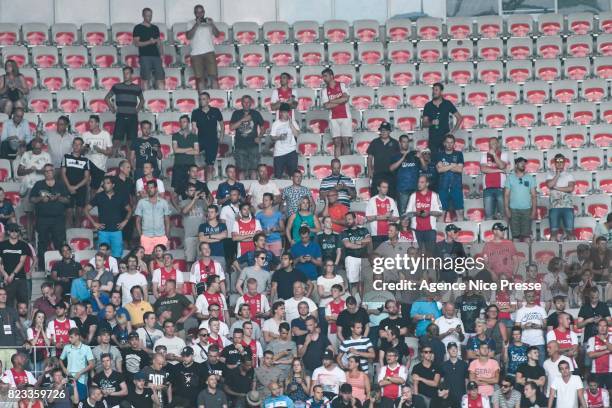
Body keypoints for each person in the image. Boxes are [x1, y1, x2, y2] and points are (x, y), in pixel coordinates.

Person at [30, 164, 70, 270]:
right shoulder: (38, 184)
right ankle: (42, 268)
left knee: (60, 243)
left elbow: (68, 200)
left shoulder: (61, 185)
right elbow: (32, 199)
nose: (48, 173)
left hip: (58, 219)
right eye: (46, 171)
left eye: (50, 171)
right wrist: (41, 199)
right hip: (43, 219)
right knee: (42, 244)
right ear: (44, 173)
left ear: (54, 172)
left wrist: (58, 197)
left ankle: (61, 268)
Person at [85, 176, 131, 259]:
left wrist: (125, 221)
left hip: (117, 231)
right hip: (103, 232)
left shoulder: (120, 196)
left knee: (117, 257)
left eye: (108, 183)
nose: (105, 185)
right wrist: (94, 223)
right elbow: (86, 209)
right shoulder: (99, 196)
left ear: (113, 185)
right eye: (104, 183)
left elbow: (129, 210)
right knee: (102, 257)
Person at [105, 66, 144, 157]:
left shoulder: (136, 88)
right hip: (121, 116)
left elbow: (142, 100)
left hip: (132, 117)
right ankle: (113, 160)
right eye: (124, 73)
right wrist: (112, 108)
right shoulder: (117, 86)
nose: (125, 75)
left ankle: (130, 162)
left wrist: (137, 110)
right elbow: (107, 98)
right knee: (116, 140)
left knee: (131, 142)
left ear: (131, 74)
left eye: (127, 73)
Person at [186, 4, 220, 92]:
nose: (200, 14)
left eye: (201, 12)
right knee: (200, 79)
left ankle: (216, 98)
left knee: (214, 77)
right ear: (194, 13)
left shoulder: (209, 22)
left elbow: (217, 34)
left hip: (209, 52)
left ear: (204, 12)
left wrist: (212, 24)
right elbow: (188, 36)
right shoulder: (190, 23)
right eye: (197, 12)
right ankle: (202, 99)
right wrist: (196, 25)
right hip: (196, 54)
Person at [230, 95, 265, 180]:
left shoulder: (256, 114)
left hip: (253, 145)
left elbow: (263, 128)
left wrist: (259, 137)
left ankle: (252, 192)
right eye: (244, 102)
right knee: (241, 171)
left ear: (251, 103)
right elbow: (232, 127)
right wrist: (243, 119)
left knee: (253, 170)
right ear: (241, 103)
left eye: (248, 102)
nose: (246, 104)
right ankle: (243, 192)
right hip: (240, 146)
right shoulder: (236, 113)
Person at [406, 175, 443, 254]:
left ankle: (429, 266)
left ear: (427, 184)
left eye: (422, 182)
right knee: (417, 253)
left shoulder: (434, 195)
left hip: (430, 230)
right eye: (418, 182)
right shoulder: (413, 196)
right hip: (415, 229)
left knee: (430, 253)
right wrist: (417, 213)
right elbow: (408, 214)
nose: (419, 184)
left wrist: (429, 213)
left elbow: (440, 212)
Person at [191, 91, 224, 179]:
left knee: (210, 166)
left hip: (212, 141)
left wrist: (221, 137)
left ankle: (209, 186)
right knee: (194, 165)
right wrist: (192, 141)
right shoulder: (195, 112)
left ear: (208, 100)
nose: (202, 101)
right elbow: (194, 128)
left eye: (204, 99)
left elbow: (222, 125)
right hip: (200, 140)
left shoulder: (215, 111)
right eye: (200, 99)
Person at [422, 82, 462, 152]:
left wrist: (452, 132)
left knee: (446, 161)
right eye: (433, 90)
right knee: (434, 161)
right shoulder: (428, 105)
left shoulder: (447, 103)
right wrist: (432, 122)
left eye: (436, 90)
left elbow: (459, 118)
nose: (434, 92)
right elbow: (424, 123)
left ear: (441, 92)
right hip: (433, 139)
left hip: (445, 139)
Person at [504, 156, 536, 243]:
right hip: (513, 210)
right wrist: (507, 209)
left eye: (524, 163)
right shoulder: (510, 178)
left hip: (527, 210)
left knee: (526, 236)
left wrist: (533, 210)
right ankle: (516, 255)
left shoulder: (530, 178)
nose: (523, 164)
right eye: (521, 163)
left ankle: (526, 255)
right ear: (516, 165)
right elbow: (506, 195)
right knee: (515, 236)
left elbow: (533, 195)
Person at [134, 180, 171, 255]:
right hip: (146, 236)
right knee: (147, 258)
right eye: (148, 188)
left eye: (152, 187)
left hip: (161, 236)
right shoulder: (141, 202)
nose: (149, 189)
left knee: (162, 259)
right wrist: (141, 235)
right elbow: (138, 221)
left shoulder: (163, 202)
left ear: (156, 189)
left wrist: (166, 236)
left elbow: (167, 220)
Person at [61, 136, 91, 227]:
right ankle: (69, 236)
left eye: (79, 145)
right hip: (67, 188)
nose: (76, 146)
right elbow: (63, 173)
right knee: (68, 212)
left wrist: (75, 187)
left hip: (80, 189)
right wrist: (69, 187)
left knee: (79, 213)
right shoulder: (66, 157)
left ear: (82, 147)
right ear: (72, 145)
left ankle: (76, 233)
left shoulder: (85, 160)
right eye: (75, 144)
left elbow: (87, 177)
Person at [321, 68, 351, 157]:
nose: (324, 78)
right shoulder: (324, 91)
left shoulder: (341, 85)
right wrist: (340, 100)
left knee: (346, 141)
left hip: (345, 116)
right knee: (337, 142)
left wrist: (332, 101)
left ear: (331, 76)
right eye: (323, 77)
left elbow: (346, 99)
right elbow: (326, 106)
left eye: (325, 76)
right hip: (333, 117)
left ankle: (347, 165)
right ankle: (337, 163)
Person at [132, 8, 165, 91]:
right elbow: (136, 43)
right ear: (143, 15)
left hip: (156, 56)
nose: (149, 18)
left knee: (160, 78)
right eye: (147, 16)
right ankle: (146, 99)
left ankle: (161, 98)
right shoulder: (138, 28)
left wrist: (161, 55)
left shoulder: (155, 28)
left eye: (150, 16)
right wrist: (149, 42)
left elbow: (159, 42)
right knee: (145, 78)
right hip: (144, 56)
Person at [546, 153, 576, 241]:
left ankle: (572, 251)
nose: (559, 163)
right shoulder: (550, 175)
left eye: (561, 161)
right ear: (554, 163)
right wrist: (557, 175)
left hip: (567, 207)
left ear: (564, 163)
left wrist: (556, 188)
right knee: (553, 232)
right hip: (554, 207)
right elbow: (549, 184)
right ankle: (552, 253)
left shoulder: (569, 175)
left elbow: (570, 188)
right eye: (557, 162)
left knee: (570, 231)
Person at [390, 134, 422, 215]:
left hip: (414, 189)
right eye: (404, 142)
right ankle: (403, 228)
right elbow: (391, 168)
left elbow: (424, 168)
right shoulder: (395, 155)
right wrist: (403, 157)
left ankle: (412, 228)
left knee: (415, 213)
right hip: (402, 190)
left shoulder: (414, 154)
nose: (406, 144)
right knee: (403, 213)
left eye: (407, 142)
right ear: (400, 143)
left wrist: (421, 157)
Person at [0, 223, 31, 307]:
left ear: (19, 232)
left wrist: (12, 275)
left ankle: (25, 321)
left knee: (23, 305)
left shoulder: (23, 245)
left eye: (16, 231)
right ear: (8, 232)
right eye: (12, 231)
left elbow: (22, 262)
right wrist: (5, 275)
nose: (14, 233)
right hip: (7, 279)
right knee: (8, 305)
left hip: (21, 278)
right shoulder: (2, 245)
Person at [59, 328, 94, 401]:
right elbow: (60, 360)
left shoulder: (86, 348)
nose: (69, 339)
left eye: (71, 337)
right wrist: (64, 368)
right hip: (69, 379)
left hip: (81, 379)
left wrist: (80, 373)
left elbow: (91, 364)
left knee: (81, 401)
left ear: (77, 336)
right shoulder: (67, 347)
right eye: (69, 337)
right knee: (70, 401)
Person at [367, 122, 400, 197]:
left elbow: (398, 158)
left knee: (391, 197)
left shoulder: (395, 143)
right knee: (375, 196)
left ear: (389, 131)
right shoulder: (375, 142)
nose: (384, 132)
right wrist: (369, 170)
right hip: (377, 173)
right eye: (382, 130)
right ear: (380, 131)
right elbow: (370, 157)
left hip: (391, 174)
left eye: (386, 130)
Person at [435, 134, 464, 221]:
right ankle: (441, 234)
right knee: (441, 213)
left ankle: (461, 233)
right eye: (447, 142)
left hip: (456, 186)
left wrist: (445, 167)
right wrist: (452, 165)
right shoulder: (439, 155)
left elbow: (459, 170)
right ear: (444, 143)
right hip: (443, 187)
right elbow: (439, 170)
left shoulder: (459, 154)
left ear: (454, 143)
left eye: (451, 142)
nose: (449, 144)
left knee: (460, 212)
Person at [365, 180, 399, 248]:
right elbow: (368, 218)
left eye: (387, 187)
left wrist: (389, 217)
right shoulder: (372, 200)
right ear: (378, 188)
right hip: (376, 233)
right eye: (383, 187)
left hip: (389, 233)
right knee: (377, 255)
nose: (386, 189)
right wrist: (384, 217)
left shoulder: (391, 200)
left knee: (388, 255)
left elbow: (396, 218)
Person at [82, 115, 112, 190]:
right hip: (87, 165)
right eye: (89, 122)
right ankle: (86, 201)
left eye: (92, 122)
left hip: (100, 166)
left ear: (97, 123)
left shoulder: (105, 134)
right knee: (84, 187)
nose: (90, 124)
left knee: (94, 189)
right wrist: (85, 149)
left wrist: (100, 150)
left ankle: (92, 202)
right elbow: (81, 152)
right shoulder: (85, 135)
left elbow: (110, 152)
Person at [270, 102, 300, 179]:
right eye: (284, 112)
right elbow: (272, 137)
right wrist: (279, 137)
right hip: (279, 153)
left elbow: (297, 134)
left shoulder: (293, 122)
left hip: (291, 152)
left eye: (287, 112)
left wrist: (290, 124)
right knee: (278, 176)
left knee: (293, 176)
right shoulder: (276, 124)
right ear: (280, 113)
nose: (286, 114)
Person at [172, 114, 199, 191]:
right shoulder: (175, 135)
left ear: (188, 123)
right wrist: (190, 149)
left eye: (184, 122)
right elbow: (175, 150)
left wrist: (182, 150)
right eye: (181, 122)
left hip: (190, 166)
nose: (182, 124)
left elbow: (196, 151)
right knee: (176, 190)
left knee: (190, 189)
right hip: (178, 165)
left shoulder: (194, 136)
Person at [586, 317, 612, 390]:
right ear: (597, 327)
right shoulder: (591, 339)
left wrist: (603, 339)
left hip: (610, 371)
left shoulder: (611, 338)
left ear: (607, 327)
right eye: (600, 326)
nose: (602, 328)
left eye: (604, 326)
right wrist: (607, 351)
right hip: (596, 372)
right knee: (599, 395)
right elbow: (591, 355)